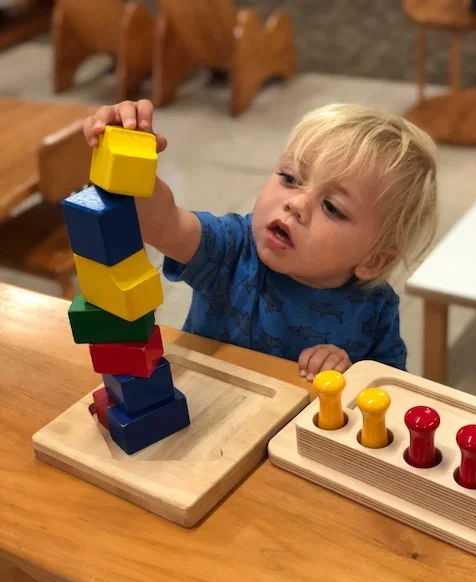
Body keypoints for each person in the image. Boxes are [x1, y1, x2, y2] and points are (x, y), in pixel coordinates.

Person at [83, 100, 438, 381]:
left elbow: (392, 392)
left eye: (331, 206)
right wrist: (128, 152)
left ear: (374, 260)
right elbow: (163, 223)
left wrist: (353, 372)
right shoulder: (232, 248)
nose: (296, 204)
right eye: (289, 177)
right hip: (204, 416)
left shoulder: (375, 308)